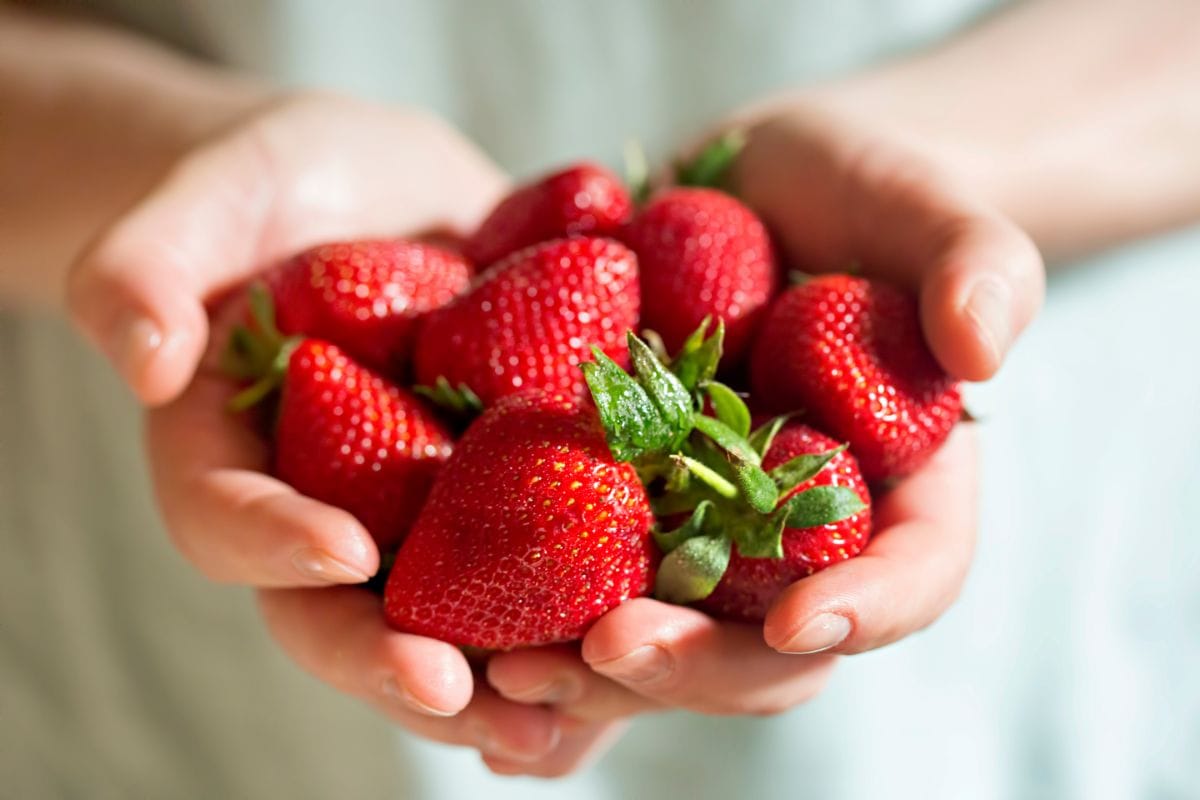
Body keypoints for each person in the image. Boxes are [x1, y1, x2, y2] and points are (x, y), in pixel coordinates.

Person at [2, 0, 1198, 796]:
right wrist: (157, 161)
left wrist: (939, 152)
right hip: (174, 695)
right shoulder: (573, 421)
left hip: (1033, 662)